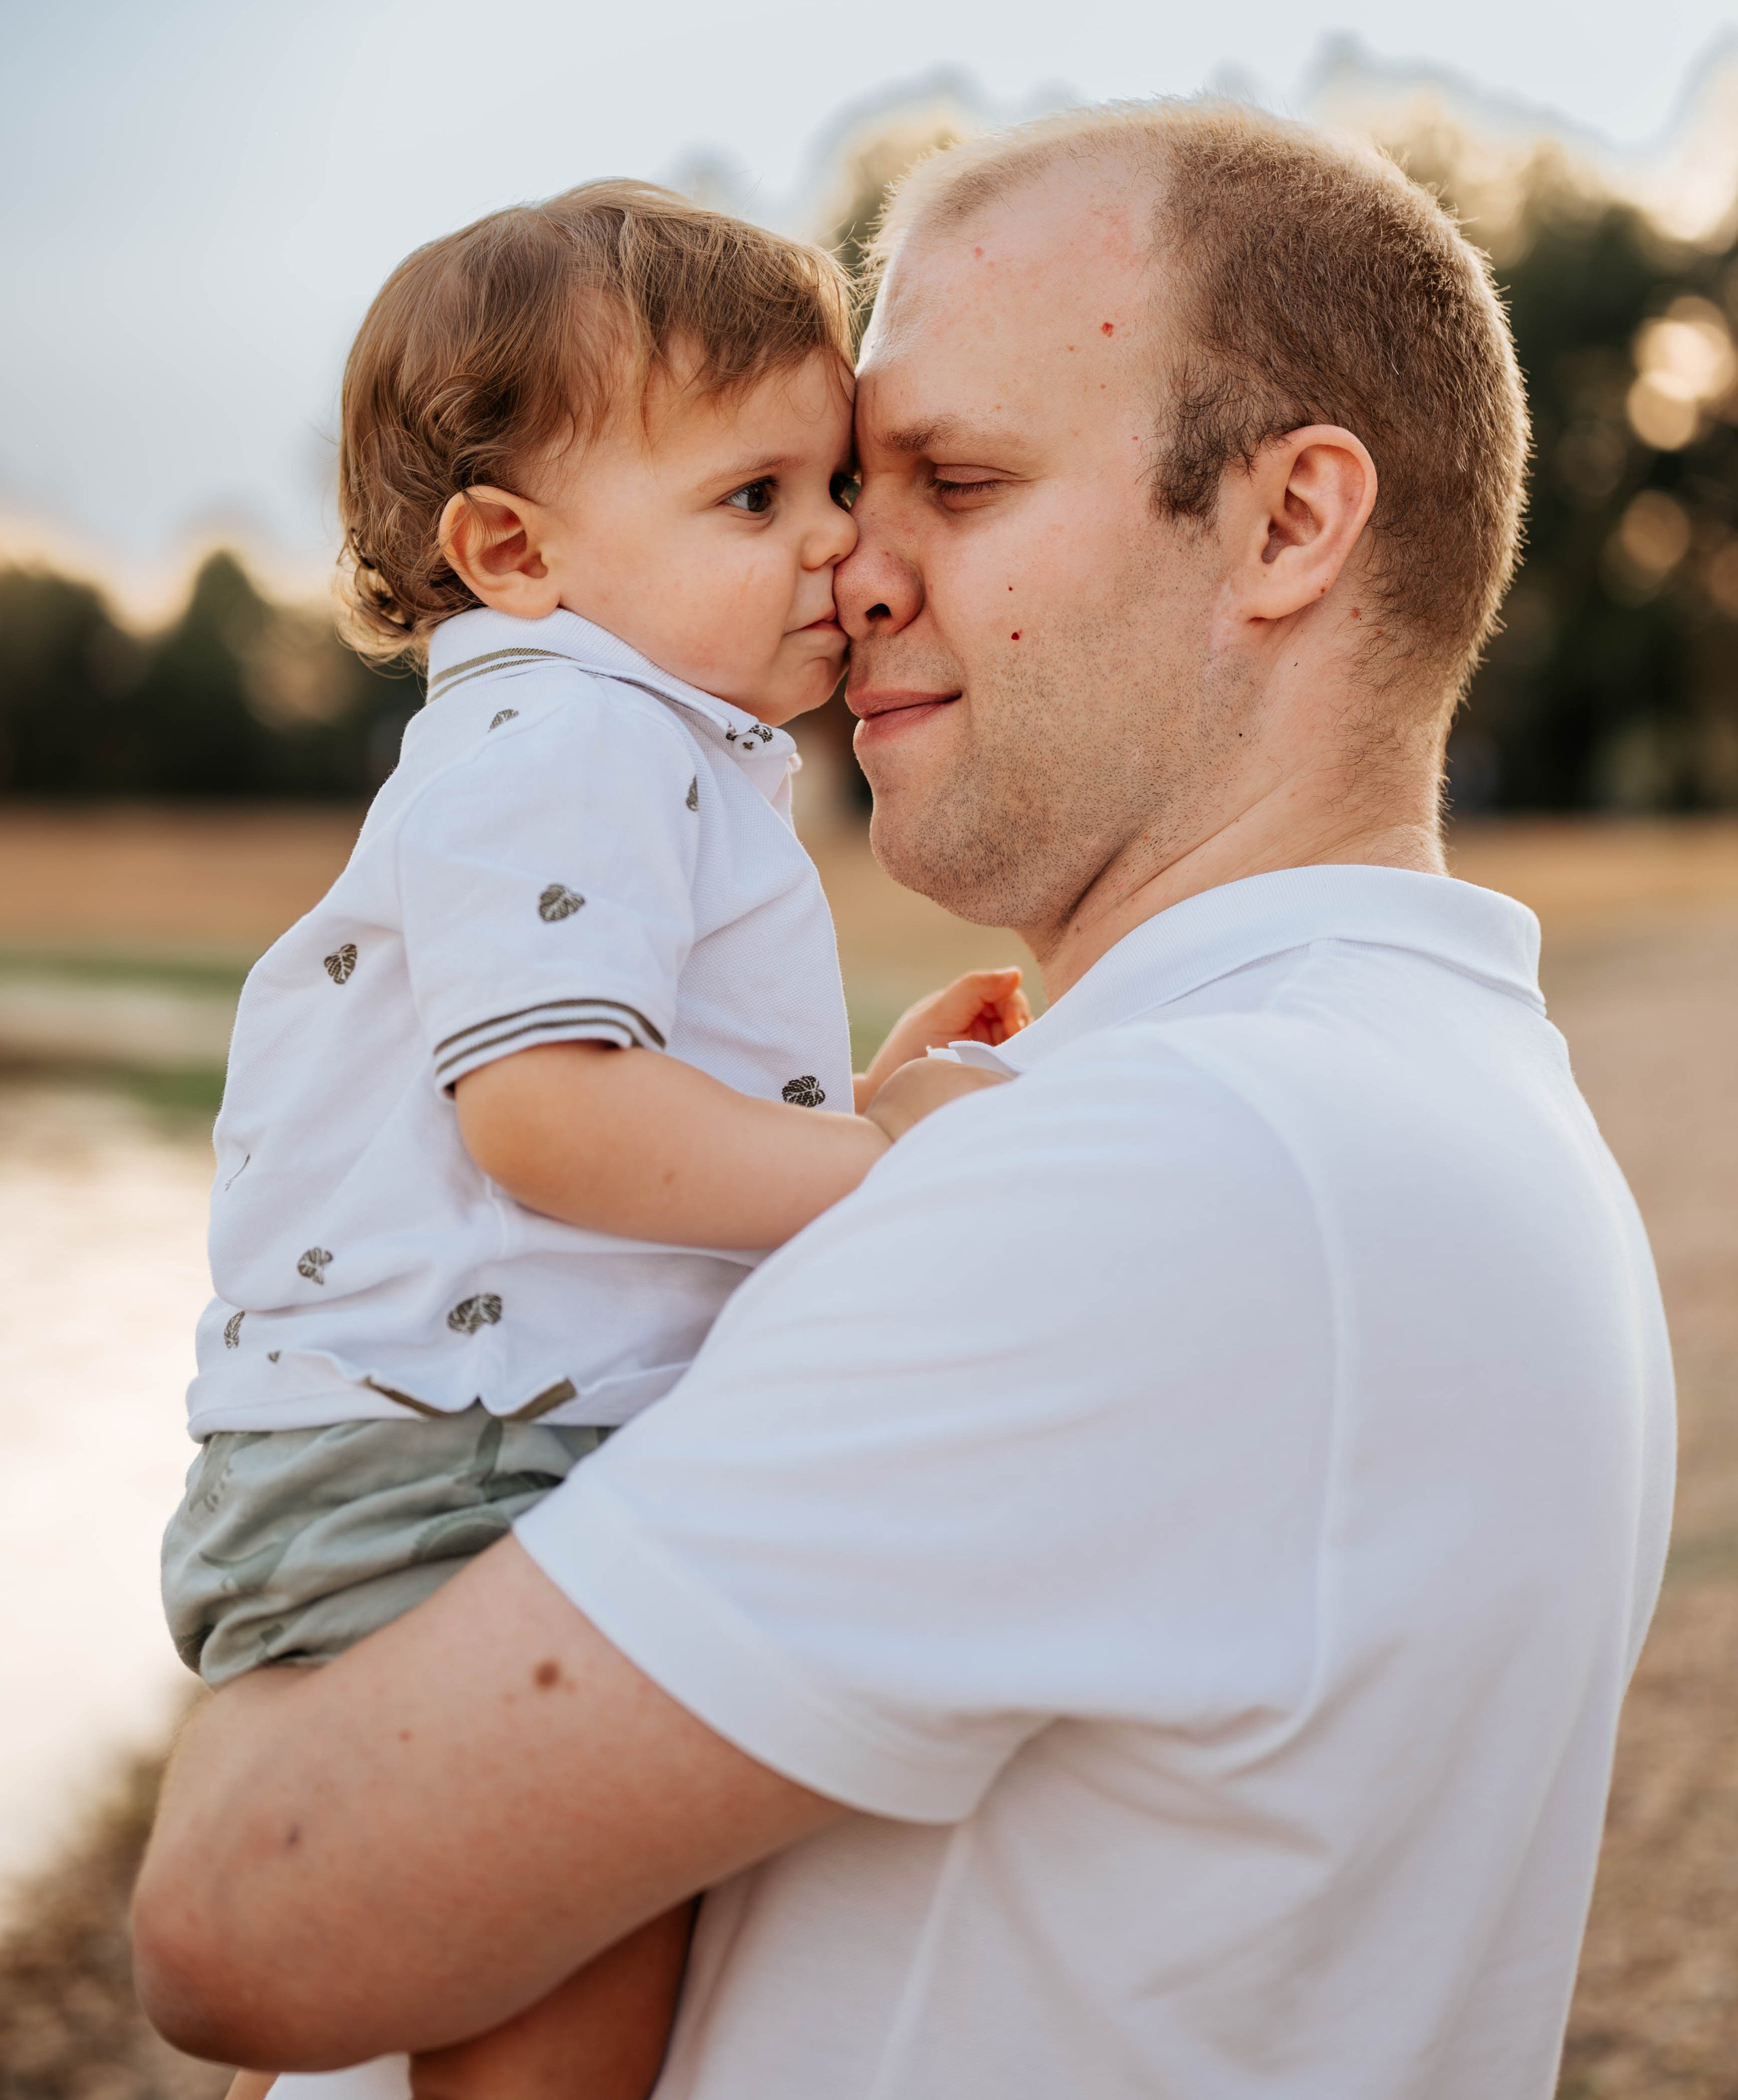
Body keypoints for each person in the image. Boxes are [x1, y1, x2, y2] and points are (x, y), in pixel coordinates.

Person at [136, 103, 1675, 2100]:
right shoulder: (1393, 1095)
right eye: (832, 485)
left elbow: (252, 1917)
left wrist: (290, 1551)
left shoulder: (1182, 1164)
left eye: (953, 478)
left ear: (1289, 525)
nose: (851, 563)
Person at [155, 180, 1025, 2100]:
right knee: (570, 1982)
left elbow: (625, 1095)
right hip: (449, 1460)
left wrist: (843, 1106)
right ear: (513, 548)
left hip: (436, 1438)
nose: (841, 547)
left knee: (482, 1970)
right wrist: (892, 1178)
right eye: (756, 498)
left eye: (837, 486)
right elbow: (548, 1117)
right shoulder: (574, 737)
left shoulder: (625, 736)